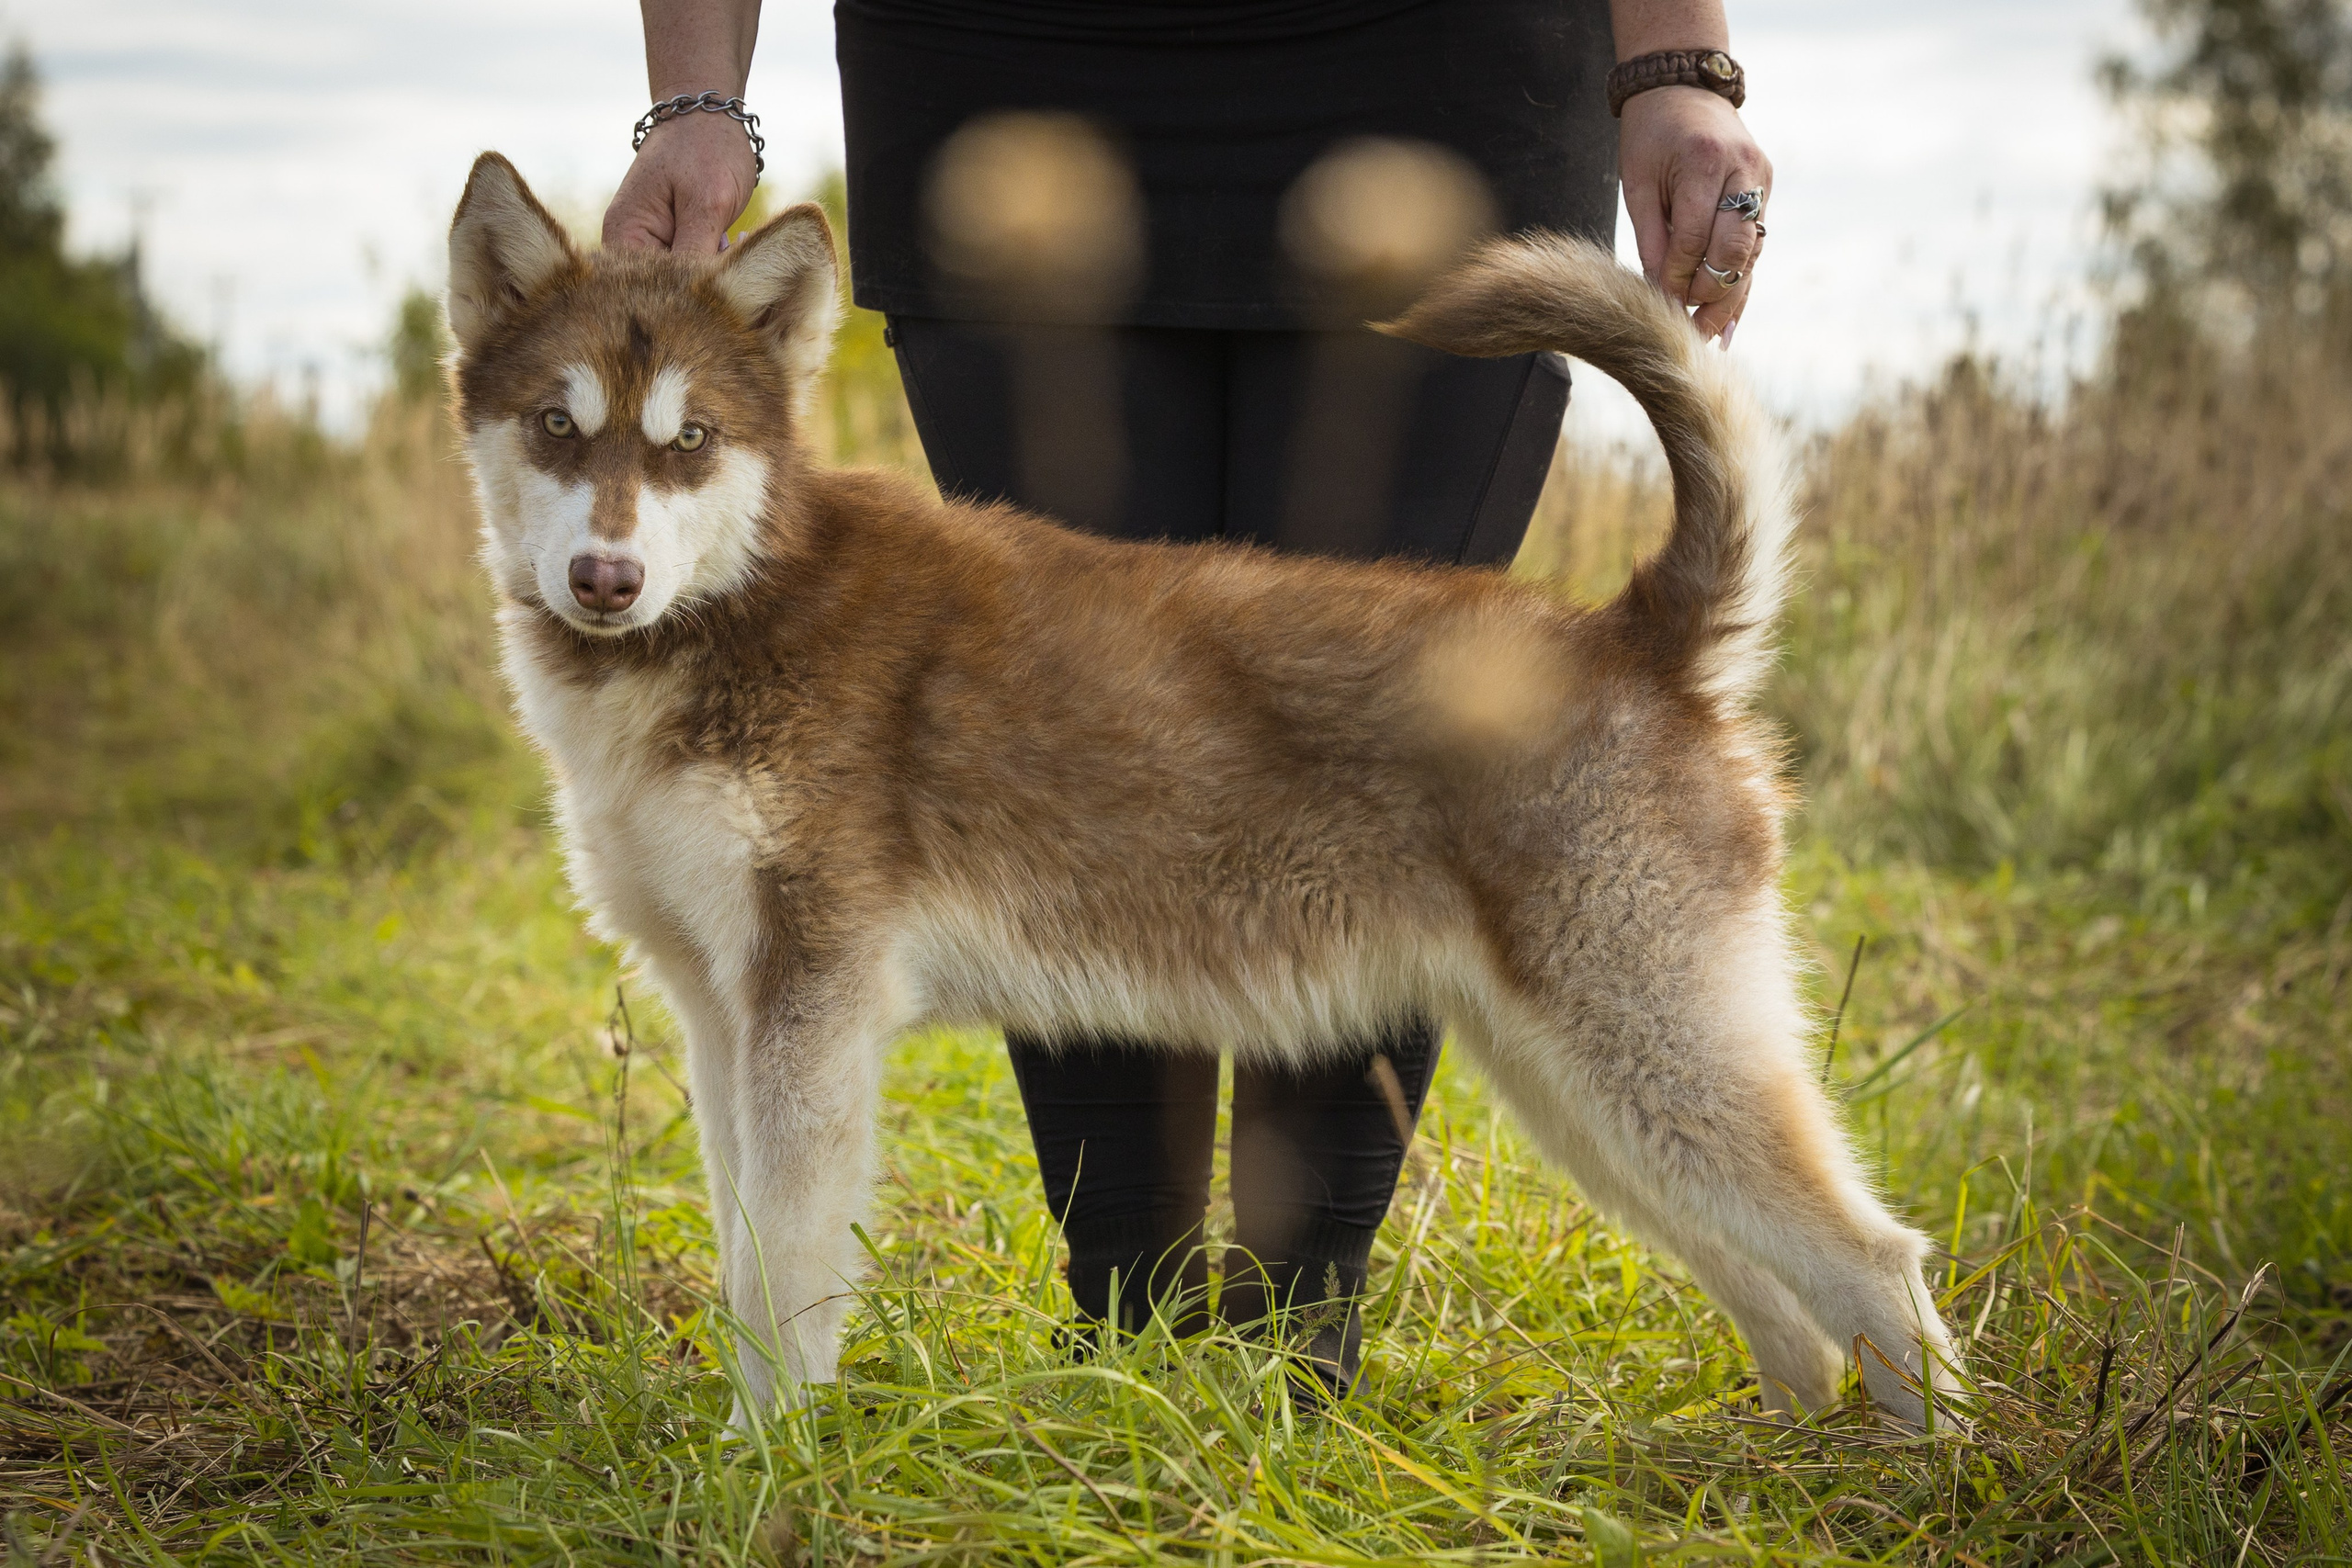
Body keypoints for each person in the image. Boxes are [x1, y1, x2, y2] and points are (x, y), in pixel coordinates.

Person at [604, 0, 1772, 1396]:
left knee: (1395, 757)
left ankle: (1298, 1335)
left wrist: (1678, 67)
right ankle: (1130, 1320)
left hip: (1436, 76)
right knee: (1055, 762)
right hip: (1006, 88)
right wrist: (695, 98)